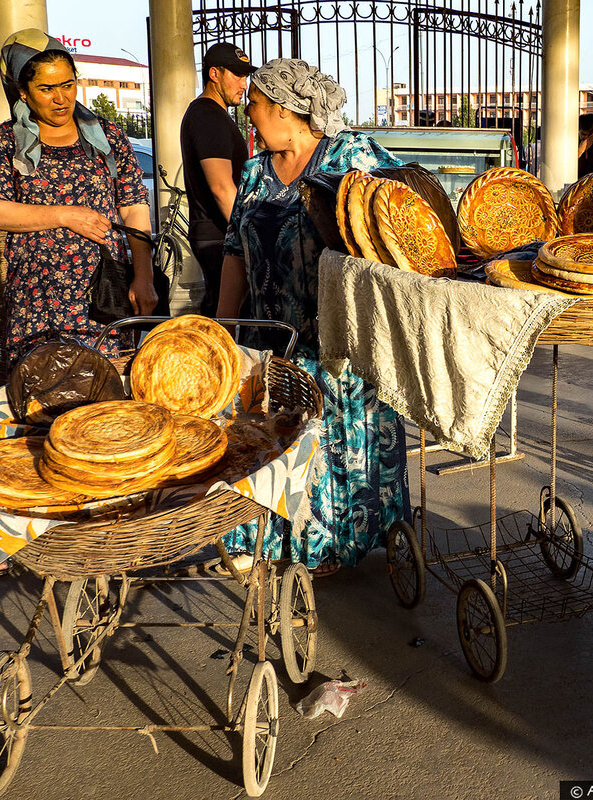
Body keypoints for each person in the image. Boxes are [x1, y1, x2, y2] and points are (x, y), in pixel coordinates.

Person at [216, 58, 409, 572]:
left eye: (254, 105)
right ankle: (266, 541)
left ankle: (332, 547)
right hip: (268, 334)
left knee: (335, 439)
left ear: (283, 108)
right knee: (267, 438)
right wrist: (222, 325)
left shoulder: (351, 154)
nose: (248, 114)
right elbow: (235, 251)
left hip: (335, 337)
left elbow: (399, 220)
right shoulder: (256, 171)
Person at [0, 29, 155, 366]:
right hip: (36, 298)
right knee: (42, 397)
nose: (61, 99)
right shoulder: (5, 141)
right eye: (46, 89)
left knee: (105, 396)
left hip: (103, 293)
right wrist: (65, 215)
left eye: (68, 85)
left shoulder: (108, 136)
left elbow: (133, 207)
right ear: (23, 93)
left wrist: (143, 275)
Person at [180, 43, 255, 316]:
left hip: (217, 233)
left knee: (224, 311)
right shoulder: (208, 116)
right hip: (218, 235)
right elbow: (222, 187)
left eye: (245, 76)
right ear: (214, 74)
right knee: (230, 316)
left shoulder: (212, 114)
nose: (244, 84)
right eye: (236, 74)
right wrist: (250, 237)